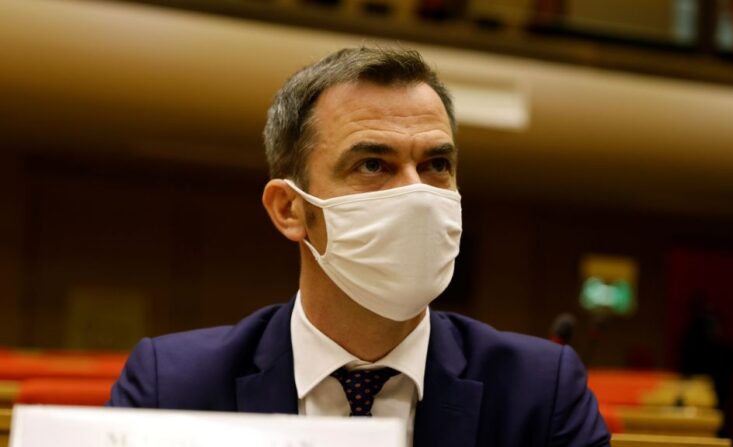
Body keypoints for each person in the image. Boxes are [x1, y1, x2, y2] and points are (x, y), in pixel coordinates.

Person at [108, 46, 610, 447]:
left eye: (436, 165)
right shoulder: (171, 386)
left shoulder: (540, 392)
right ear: (290, 209)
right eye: (373, 165)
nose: (416, 194)